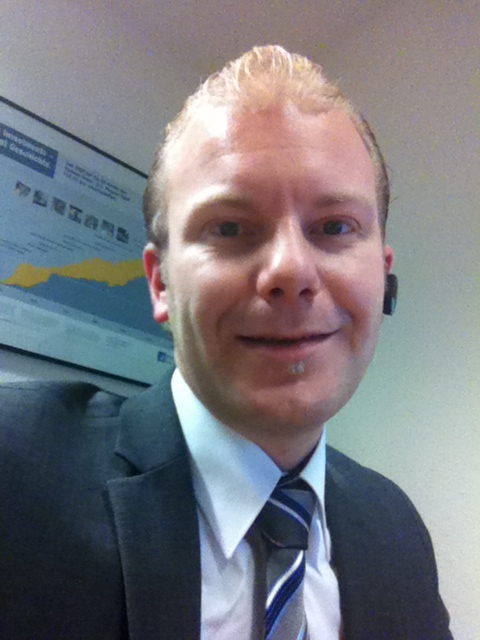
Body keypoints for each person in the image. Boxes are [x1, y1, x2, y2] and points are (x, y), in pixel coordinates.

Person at [0, 46, 452, 639]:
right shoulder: (14, 469)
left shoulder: (398, 530)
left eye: (334, 227)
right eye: (231, 228)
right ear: (161, 283)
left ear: (382, 271)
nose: (291, 270)